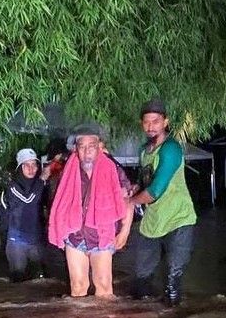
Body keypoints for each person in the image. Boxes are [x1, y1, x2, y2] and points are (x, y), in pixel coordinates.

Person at [48, 122, 134, 298]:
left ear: (100, 147)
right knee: (78, 287)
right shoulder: (66, 172)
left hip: (101, 235)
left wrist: (124, 232)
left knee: (104, 287)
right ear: (75, 149)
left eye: (92, 146)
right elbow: (58, 204)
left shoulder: (113, 169)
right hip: (74, 235)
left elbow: (128, 200)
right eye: (82, 146)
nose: (87, 151)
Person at [128, 98, 197, 307]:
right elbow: (145, 181)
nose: (150, 127)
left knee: (172, 285)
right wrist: (135, 188)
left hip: (178, 219)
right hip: (153, 222)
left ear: (165, 122)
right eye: (147, 122)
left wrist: (129, 202)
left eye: (156, 121)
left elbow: (156, 191)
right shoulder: (144, 150)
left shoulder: (171, 149)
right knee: (140, 284)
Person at [0, 148, 48, 282]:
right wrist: (42, 179)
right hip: (17, 241)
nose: (31, 169)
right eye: (26, 165)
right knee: (18, 281)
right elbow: (28, 200)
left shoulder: (41, 186)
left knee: (41, 280)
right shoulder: (12, 187)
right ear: (19, 168)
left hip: (36, 240)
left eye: (34, 165)